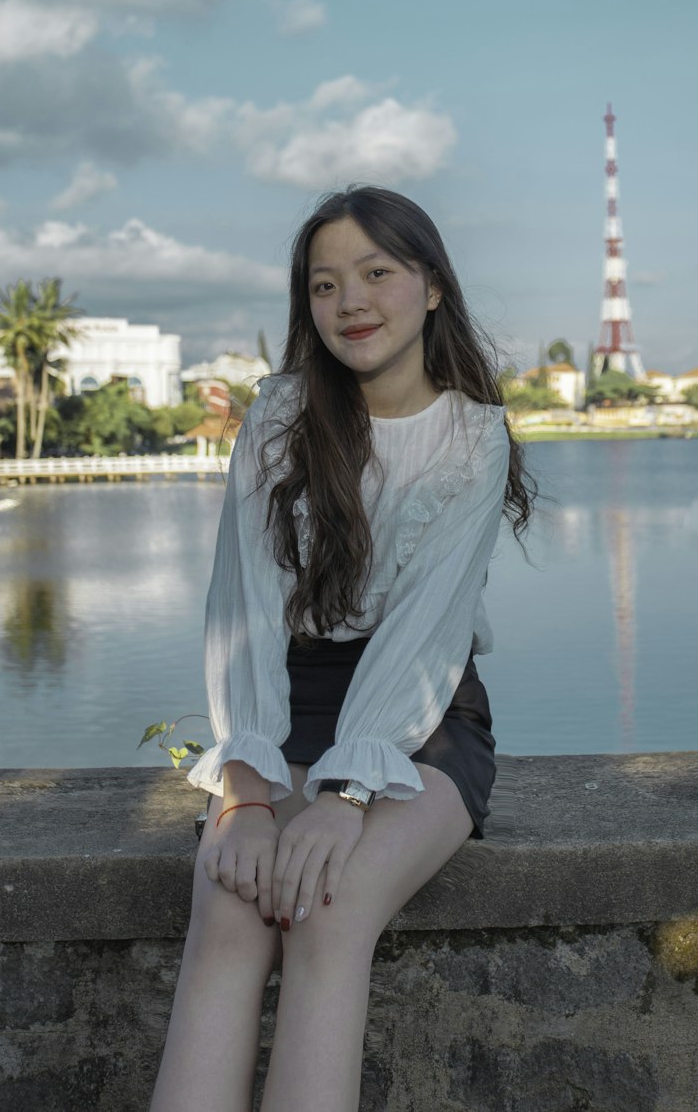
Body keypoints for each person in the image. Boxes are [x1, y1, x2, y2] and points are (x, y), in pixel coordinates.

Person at [150, 185, 533, 1112]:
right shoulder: (279, 417)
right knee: (231, 909)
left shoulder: (473, 437)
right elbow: (240, 607)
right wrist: (245, 791)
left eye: (377, 273)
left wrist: (345, 791)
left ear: (432, 287)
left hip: (424, 714)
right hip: (280, 700)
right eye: (325, 285)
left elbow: (423, 633)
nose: (350, 302)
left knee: (328, 908)